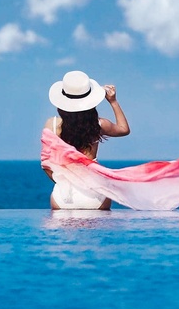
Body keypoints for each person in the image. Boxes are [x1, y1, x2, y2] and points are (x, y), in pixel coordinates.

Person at [43, 70, 130, 210]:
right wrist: (113, 101)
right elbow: (124, 129)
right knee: (95, 232)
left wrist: (64, 181)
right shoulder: (98, 125)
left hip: (64, 195)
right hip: (95, 193)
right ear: (90, 100)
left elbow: (46, 165)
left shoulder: (52, 125)